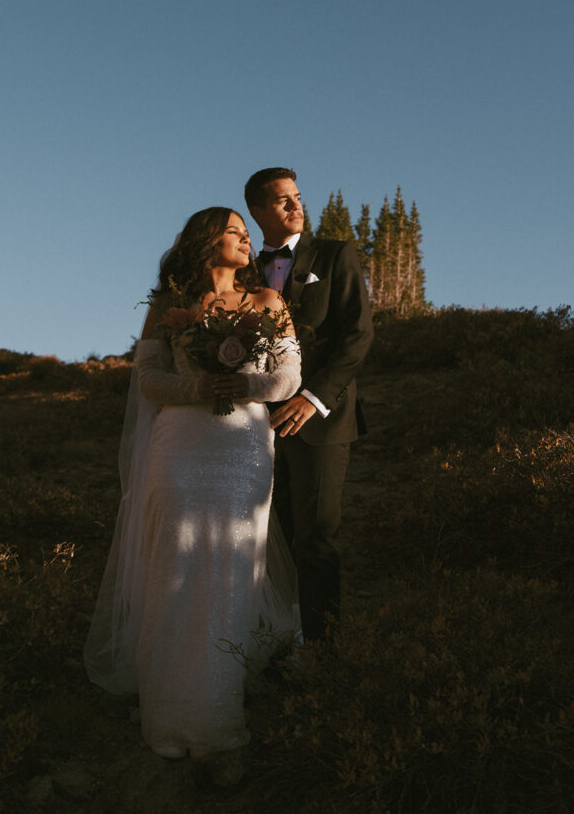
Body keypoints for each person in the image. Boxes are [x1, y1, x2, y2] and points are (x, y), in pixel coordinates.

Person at [84, 207, 301, 768]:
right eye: (235, 231)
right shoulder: (170, 308)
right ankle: (169, 720)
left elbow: (288, 378)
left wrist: (241, 383)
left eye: (246, 233)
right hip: (180, 449)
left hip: (242, 448)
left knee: (230, 566)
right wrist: (198, 385)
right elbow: (149, 381)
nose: (246, 240)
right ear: (208, 241)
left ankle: (217, 720)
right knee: (173, 566)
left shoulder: (268, 302)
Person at [245, 168, 374, 642]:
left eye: (297, 197)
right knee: (266, 538)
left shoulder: (336, 255)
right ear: (258, 211)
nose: (296, 206)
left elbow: (357, 336)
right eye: (283, 201)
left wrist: (312, 399)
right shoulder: (245, 269)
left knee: (315, 537)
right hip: (255, 424)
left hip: (322, 421)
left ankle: (324, 652)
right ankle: (275, 643)